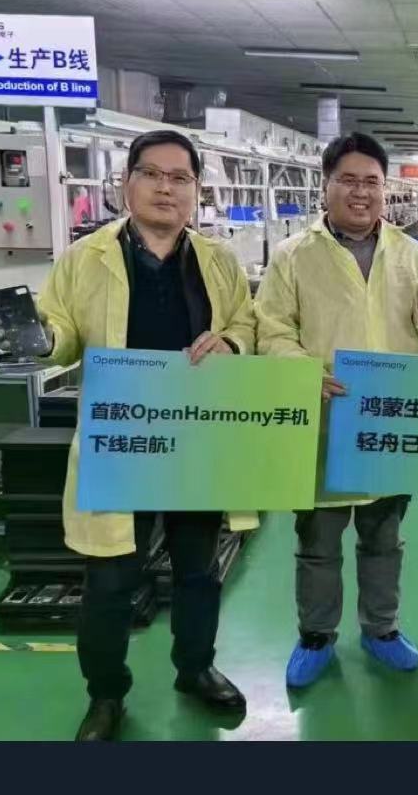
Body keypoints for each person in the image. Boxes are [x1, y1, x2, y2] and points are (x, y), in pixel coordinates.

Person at [37, 129, 256, 742]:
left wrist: (232, 341)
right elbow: (60, 328)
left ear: (196, 190)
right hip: (122, 442)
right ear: (125, 183)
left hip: (196, 438)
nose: (166, 188)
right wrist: (44, 338)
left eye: (180, 178)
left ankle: (195, 667)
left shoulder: (218, 260)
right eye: (152, 174)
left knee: (197, 570)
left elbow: (246, 322)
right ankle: (106, 694)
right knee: (110, 580)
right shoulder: (85, 258)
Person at [255, 130, 418, 688]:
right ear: (327, 186)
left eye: (372, 182)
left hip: (390, 423)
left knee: (384, 538)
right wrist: (303, 371)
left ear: (385, 189)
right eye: (348, 180)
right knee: (317, 542)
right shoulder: (293, 256)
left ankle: (381, 629)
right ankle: (316, 635)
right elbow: (271, 329)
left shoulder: (413, 254)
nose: (361, 192)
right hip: (323, 421)